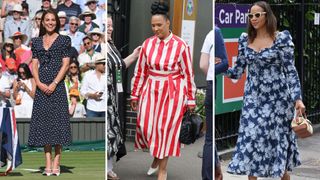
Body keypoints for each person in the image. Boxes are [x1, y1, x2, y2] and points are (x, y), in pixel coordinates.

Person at [224, 2, 305, 180]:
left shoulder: (281, 39)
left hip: (278, 101)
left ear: (267, 16)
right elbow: (238, 71)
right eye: (250, 16)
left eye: (257, 15)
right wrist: (221, 67)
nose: (253, 19)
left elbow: (290, 71)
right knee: (251, 143)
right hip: (253, 99)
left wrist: (297, 98)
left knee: (276, 146)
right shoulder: (245, 39)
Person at [130, 2, 196, 180]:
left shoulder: (181, 45)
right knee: (147, 126)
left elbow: (188, 74)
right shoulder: (147, 44)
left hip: (172, 93)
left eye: (159, 25)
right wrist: (135, 93)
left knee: (165, 131)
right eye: (153, 25)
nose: (155, 28)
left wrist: (190, 99)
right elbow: (140, 71)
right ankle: (156, 159)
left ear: (168, 23)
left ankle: (162, 170)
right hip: (150, 91)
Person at [27, 9, 72, 176]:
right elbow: (34, 64)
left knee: (58, 125)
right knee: (45, 126)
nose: (51, 22)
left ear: (57, 22)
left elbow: (66, 65)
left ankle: (57, 162)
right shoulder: (36, 41)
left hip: (57, 88)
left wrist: (53, 83)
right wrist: (38, 83)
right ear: (42, 22)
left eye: (53, 20)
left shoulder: (64, 40)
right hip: (41, 89)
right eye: (47, 19)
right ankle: (47, 163)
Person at [107, 15, 141, 180]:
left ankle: (109, 167)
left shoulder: (111, 46)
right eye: (106, 25)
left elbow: (119, 66)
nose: (110, 28)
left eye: (111, 25)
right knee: (108, 133)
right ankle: (106, 169)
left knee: (113, 131)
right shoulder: (102, 47)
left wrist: (134, 55)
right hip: (106, 97)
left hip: (115, 97)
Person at [199, 27, 228, 180]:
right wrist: (214, 69)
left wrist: (210, 71)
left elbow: (202, 65)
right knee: (210, 138)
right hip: (213, 84)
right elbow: (225, 64)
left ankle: (215, 171)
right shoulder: (216, 32)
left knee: (209, 137)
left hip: (208, 85)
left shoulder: (209, 33)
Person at [80, 53, 106, 117]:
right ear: (97, 64)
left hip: (105, 108)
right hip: (92, 109)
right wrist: (92, 95)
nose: (105, 65)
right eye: (103, 64)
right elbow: (82, 91)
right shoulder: (88, 75)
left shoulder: (107, 75)